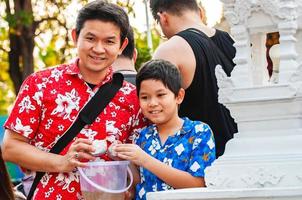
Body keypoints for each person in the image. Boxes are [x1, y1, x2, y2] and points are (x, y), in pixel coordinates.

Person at [2, 1, 145, 199]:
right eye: (90, 38)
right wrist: (62, 162)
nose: (98, 49)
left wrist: (129, 181)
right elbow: (10, 148)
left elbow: (139, 161)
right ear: (75, 36)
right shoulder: (40, 84)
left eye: (109, 41)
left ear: (122, 46)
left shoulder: (133, 98)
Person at [114, 59, 216, 200]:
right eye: (145, 97)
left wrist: (145, 159)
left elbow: (198, 184)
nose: (152, 103)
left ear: (179, 96)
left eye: (160, 95)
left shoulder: (199, 132)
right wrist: (122, 160)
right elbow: (139, 181)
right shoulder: (141, 136)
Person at [149, 0, 238, 158]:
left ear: (163, 18)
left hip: (200, 164)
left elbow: (155, 111)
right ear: (199, 12)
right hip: (243, 153)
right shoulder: (233, 41)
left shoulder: (170, 50)